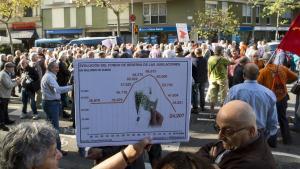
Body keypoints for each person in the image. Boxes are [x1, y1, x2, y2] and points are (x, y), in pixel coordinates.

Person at [196, 100, 276, 169]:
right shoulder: (240, 141)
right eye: (218, 128)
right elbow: (206, 149)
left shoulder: (254, 164)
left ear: (251, 131)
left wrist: (210, 164)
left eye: (228, 131)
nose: (219, 137)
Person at [225, 63, 278, 147]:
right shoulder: (268, 93)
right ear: (258, 75)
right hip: (258, 134)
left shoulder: (234, 91)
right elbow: (273, 122)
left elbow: (226, 113)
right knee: (255, 158)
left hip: (237, 131)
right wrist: (265, 137)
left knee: (238, 158)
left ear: (243, 75)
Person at [257, 52, 298, 144]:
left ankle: (272, 141)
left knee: (270, 119)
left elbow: (257, 85)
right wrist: (285, 82)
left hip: (269, 98)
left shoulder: (263, 71)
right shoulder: (282, 68)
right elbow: (295, 77)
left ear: (264, 61)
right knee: (282, 118)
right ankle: (287, 140)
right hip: (282, 97)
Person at [41, 60, 72, 155]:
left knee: (50, 127)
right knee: (55, 128)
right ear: (51, 68)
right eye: (56, 67)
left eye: (58, 67)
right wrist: (72, 87)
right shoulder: (49, 77)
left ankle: (50, 149)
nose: (58, 69)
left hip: (50, 103)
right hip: (51, 104)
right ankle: (57, 150)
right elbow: (57, 90)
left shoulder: (49, 76)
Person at [206, 46, 232, 113]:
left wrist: (209, 79)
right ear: (221, 51)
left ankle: (211, 112)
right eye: (223, 51)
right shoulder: (223, 59)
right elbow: (232, 62)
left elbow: (208, 70)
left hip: (212, 79)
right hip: (222, 79)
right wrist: (226, 55)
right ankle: (221, 113)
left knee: (213, 96)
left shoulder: (210, 58)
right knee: (223, 96)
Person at [0, 62, 21, 131]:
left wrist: (14, 80)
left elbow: (8, 81)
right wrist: (17, 83)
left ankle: (6, 120)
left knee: (5, 109)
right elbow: (8, 85)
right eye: (12, 68)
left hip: (4, 94)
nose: (13, 69)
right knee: (2, 110)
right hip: (3, 95)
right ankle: (2, 124)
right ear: (7, 68)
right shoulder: (3, 74)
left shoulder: (5, 73)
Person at [191, 48, 208, 113]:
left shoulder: (193, 60)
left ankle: (195, 107)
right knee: (202, 93)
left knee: (195, 94)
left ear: (195, 53)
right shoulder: (205, 60)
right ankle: (202, 106)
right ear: (201, 52)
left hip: (195, 80)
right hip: (203, 79)